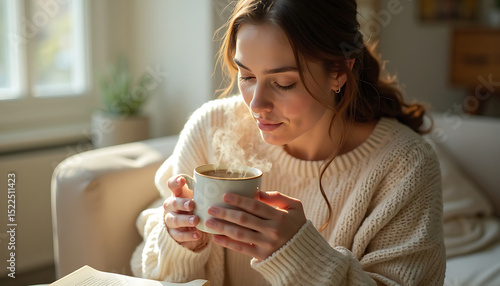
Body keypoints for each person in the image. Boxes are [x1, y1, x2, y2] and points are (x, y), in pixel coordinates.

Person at [130, 0, 446, 285]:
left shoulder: (404, 164)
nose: (255, 105)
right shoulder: (211, 127)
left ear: (339, 71)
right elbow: (149, 272)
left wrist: (298, 256)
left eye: (283, 83)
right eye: (247, 76)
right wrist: (179, 242)